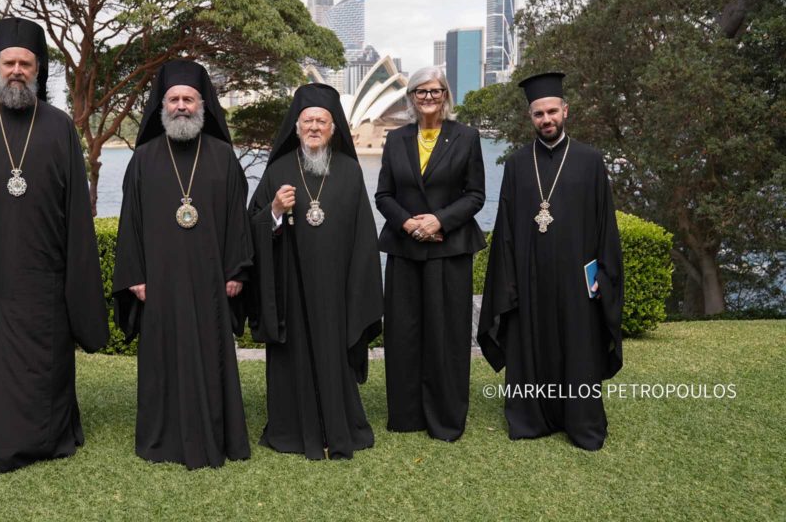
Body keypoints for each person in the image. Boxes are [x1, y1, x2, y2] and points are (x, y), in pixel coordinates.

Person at [0, 17, 108, 473]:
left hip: (46, 277)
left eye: (26, 63)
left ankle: (53, 436)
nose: (17, 70)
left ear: (40, 70)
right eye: (9, 62)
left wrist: (75, 278)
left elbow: (76, 212)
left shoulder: (59, 128)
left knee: (48, 366)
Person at [112, 59, 252, 470]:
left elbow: (237, 220)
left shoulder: (224, 157)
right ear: (162, 106)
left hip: (210, 279)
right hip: (160, 280)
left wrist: (236, 271)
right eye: (173, 99)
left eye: (189, 99)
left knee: (211, 354)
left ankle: (215, 434)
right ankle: (162, 439)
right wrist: (135, 274)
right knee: (162, 358)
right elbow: (129, 221)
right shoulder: (144, 159)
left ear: (202, 104)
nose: (181, 106)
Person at [477, 72, 624, 451]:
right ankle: (531, 418)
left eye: (552, 111)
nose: (547, 119)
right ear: (531, 117)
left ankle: (580, 422)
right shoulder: (516, 164)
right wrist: (507, 280)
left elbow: (606, 224)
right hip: (529, 278)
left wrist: (602, 275)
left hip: (577, 279)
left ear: (566, 111)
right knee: (531, 344)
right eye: (539, 114)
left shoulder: (590, 161)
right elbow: (506, 228)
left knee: (578, 347)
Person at [247, 83, 382, 460]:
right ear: (295, 126)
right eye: (307, 121)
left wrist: (358, 289)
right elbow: (253, 224)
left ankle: (338, 427)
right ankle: (291, 429)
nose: (314, 127)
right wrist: (274, 210)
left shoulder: (352, 171)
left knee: (334, 353)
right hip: (290, 286)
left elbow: (364, 237)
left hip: (337, 289)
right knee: (294, 357)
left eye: (321, 121)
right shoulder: (277, 170)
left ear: (334, 127)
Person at [374, 66, 486, 442]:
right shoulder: (396, 139)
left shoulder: (467, 138)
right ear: (410, 97)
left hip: (450, 250)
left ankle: (445, 418)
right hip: (405, 250)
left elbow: (475, 195)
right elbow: (383, 195)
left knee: (447, 335)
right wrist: (408, 224)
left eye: (435, 91)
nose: (428, 98)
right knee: (404, 333)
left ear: (446, 95)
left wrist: (438, 221)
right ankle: (406, 415)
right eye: (420, 92)